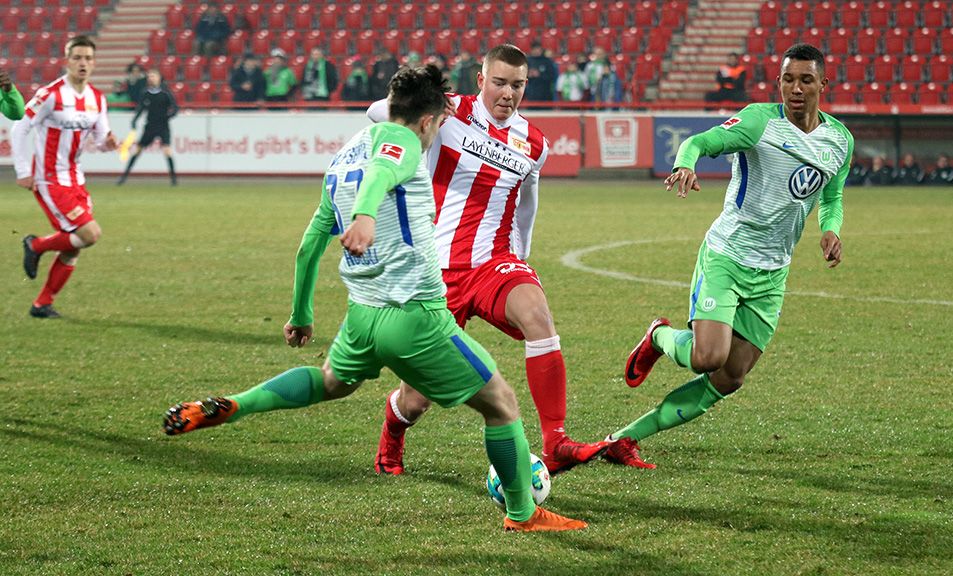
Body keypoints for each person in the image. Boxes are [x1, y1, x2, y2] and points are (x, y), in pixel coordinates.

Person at [162, 65, 586, 533]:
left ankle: (238, 404)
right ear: (428, 121)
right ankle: (523, 514)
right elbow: (389, 167)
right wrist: (365, 216)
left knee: (328, 382)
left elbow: (308, 245)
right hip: (416, 316)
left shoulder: (345, 155)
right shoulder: (403, 142)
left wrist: (301, 315)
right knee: (501, 404)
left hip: (362, 316)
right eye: (438, 124)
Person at [605, 43, 854, 469]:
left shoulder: (839, 140)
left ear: (823, 85)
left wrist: (830, 230)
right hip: (728, 254)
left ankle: (624, 439)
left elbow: (832, 196)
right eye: (788, 80)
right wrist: (686, 164)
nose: (796, 89)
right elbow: (700, 140)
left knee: (730, 376)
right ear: (779, 83)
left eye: (806, 80)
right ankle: (659, 337)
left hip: (774, 271)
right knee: (707, 357)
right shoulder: (759, 121)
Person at [366, 45, 608, 477]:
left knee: (537, 315)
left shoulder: (534, 143)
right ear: (481, 81)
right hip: (435, 272)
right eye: (499, 82)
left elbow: (528, 201)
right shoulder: (449, 111)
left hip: (493, 263)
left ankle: (555, 440)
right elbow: (375, 113)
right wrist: (412, 110)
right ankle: (393, 432)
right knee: (418, 398)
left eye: (517, 85)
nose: (507, 93)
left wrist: (521, 255)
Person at [12, 36, 118, 319]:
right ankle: (35, 245)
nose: (83, 63)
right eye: (77, 58)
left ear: (94, 63)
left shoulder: (97, 99)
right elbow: (19, 128)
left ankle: (41, 305)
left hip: (76, 180)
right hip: (49, 179)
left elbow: (99, 139)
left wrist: (108, 144)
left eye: (88, 58)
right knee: (89, 234)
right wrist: (23, 171)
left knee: (75, 247)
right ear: (67, 61)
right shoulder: (51, 94)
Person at [117, 69, 178, 186]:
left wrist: (168, 116)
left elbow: (175, 108)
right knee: (137, 151)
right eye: (149, 76)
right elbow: (141, 108)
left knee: (167, 151)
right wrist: (135, 120)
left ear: (160, 78)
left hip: (163, 126)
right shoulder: (145, 93)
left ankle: (173, 180)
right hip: (149, 126)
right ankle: (123, 177)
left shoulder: (166, 93)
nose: (151, 78)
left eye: (153, 76)